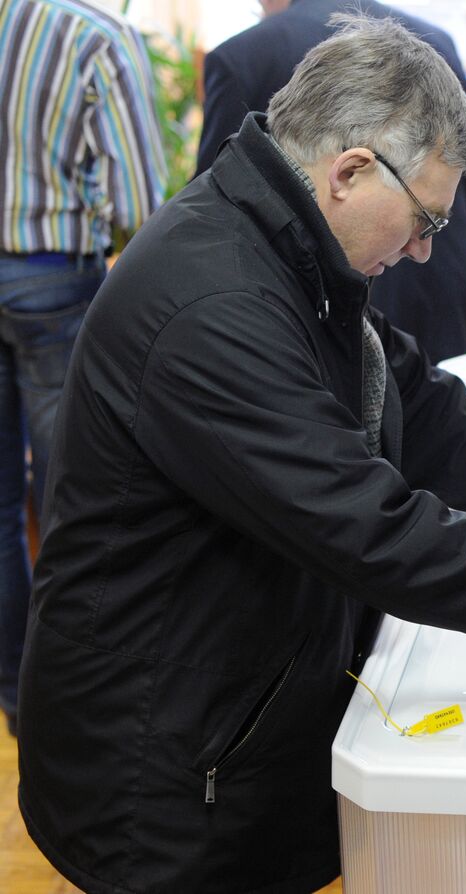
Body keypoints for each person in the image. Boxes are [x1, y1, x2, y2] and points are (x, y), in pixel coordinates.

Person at [18, 16, 466, 894]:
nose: (428, 248)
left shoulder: (288, 248)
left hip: (230, 711)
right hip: (157, 764)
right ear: (351, 170)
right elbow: (378, 535)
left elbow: (429, 412)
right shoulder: (214, 309)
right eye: (425, 217)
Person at [0, 0, 165, 738]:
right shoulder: (94, 35)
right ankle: (71, 695)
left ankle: (13, 686)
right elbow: (142, 201)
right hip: (52, 282)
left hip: (38, 277)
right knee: (76, 494)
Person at [198, 0, 466, 363]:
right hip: (433, 299)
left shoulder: (244, 55)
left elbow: (222, 201)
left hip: (314, 306)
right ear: (346, 173)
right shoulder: (434, 38)